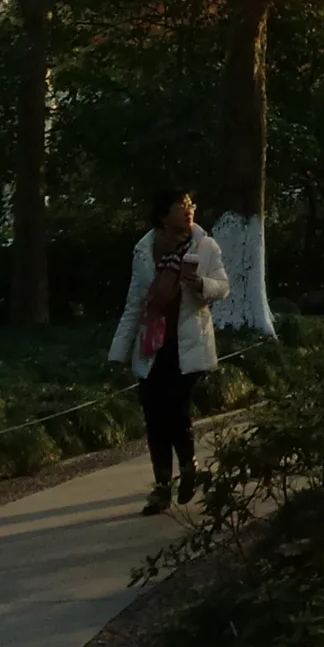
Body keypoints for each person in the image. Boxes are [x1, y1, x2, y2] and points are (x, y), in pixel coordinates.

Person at [109, 189, 229, 512]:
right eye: (181, 206)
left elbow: (223, 286)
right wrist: (118, 352)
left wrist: (200, 284)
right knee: (154, 415)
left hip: (188, 345)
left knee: (177, 409)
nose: (188, 211)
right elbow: (135, 303)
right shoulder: (145, 251)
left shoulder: (204, 246)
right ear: (163, 215)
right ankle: (162, 486)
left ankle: (189, 468)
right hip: (152, 345)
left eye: (191, 204)